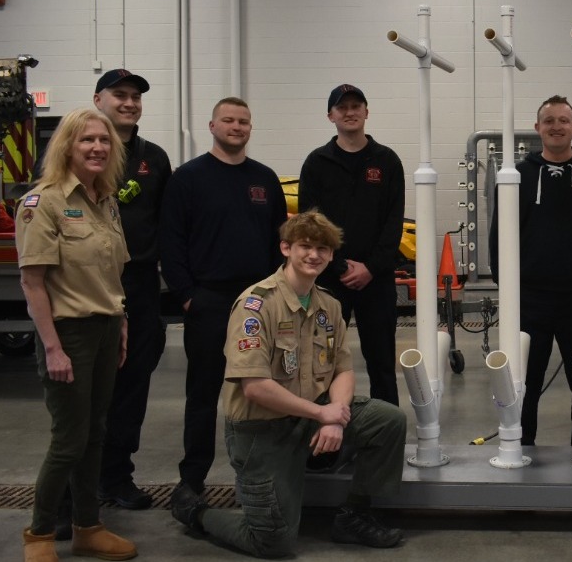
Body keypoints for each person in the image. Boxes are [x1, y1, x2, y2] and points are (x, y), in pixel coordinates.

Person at [171, 210, 408, 556]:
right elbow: (254, 387)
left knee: (389, 421)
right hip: (262, 430)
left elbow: (343, 369)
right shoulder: (255, 306)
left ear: (331, 255)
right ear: (285, 248)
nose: (314, 255)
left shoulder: (328, 305)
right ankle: (197, 513)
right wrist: (322, 413)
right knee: (272, 541)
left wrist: (337, 415)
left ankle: (354, 515)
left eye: (323, 249)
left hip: (311, 415)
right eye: (305, 246)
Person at [17, 109, 137, 561]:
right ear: (67, 145)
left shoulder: (105, 200)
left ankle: (88, 527)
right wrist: (52, 347)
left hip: (106, 328)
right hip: (67, 333)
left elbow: (112, 272)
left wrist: (120, 322)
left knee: (95, 433)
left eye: (104, 141)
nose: (97, 148)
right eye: (87, 139)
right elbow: (33, 283)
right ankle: (40, 534)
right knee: (69, 439)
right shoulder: (42, 202)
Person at [160, 97, 287, 504]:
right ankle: (192, 479)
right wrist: (186, 297)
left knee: (265, 389)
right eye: (228, 120)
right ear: (211, 125)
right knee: (202, 394)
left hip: (257, 302)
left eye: (243, 121)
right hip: (208, 301)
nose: (236, 126)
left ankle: (265, 474)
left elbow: (278, 244)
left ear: (251, 128)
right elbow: (171, 240)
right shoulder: (188, 178)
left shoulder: (265, 180)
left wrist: (275, 295)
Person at [488, 95, 572, 446]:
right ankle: (520, 447)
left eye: (563, 120)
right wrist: (509, 289)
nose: (556, 126)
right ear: (537, 129)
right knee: (524, 381)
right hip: (529, 300)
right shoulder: (517, 176)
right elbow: (499, 237)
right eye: (549, 120)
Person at [90, 69, 172, 510]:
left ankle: (117, 476)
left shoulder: (154, 158)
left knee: (133, 384)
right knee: (88, 387)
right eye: (119, 95)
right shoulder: (76, 151)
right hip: (88, 285)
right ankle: (78, 485)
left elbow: (167, 223)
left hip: (138, 285)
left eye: (135, 96)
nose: (129, 102)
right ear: (98, 99)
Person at [299, 84, 406, 405]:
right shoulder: (317, 163)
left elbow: (393, 222)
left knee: (382, 363)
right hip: (330, 281)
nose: (349, 112)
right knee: (323, 362)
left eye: (356, 106)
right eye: (342, 107)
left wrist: (372, 267)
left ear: (366, 113)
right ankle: (324, 431)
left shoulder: (386, 161)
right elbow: (311, 223)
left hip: (377, 280)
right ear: (330, 115)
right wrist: (341, 265)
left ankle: (385, 434)